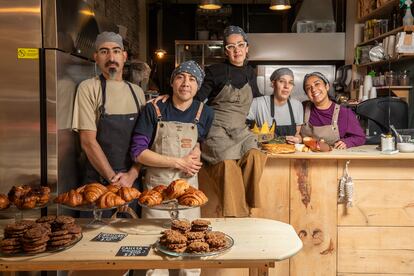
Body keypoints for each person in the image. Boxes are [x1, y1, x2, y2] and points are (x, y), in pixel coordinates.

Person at [131, 60, 214, 276]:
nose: (186, 83)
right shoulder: (153, 108)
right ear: (172, 82)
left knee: (192, 250)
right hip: (156, 191)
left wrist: (196, 150)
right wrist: (178, 162)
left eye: (192, 79)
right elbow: (138, 152)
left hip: (188, 192)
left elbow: (199, 139)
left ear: (198, 86)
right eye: (181, 77)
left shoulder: (205, 112)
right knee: (156, 252)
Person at [196, 26, 267, 217]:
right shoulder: (214, 71)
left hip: (241, 131)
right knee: (227, 165)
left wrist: (280, 99)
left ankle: (245, 205)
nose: (236, 50)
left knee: (255, 156)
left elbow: (258, 98)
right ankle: (240, 216)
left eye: (240, 45)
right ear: (225, 50)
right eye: (231, 47)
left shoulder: (251, 73)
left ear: (247, 48)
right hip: (217, 130)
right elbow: (196, 99)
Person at [72, 31, 145, 187]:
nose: (111, 58)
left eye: (116, 51)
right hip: (99, 183)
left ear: (124, 56)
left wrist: (132, 175)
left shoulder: (137, 92)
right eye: (104, 51)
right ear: (96, 57)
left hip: (131, 182)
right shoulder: (89, 88)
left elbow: (144, 141)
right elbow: (87, 142)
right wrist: (114, 180)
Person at [300, 71, 366, 149]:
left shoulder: (344, 113)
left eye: (317, 84)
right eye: (308, 88)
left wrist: (347, 142)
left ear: (327, 86)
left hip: (333, 158)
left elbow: (360, 137)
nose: (313, 89)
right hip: (306, 158)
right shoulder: (301, 108)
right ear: (307, 94)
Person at [247, 67, 303, 143]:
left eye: (290, 82)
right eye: (282, 81)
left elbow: (297, 134)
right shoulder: (258, 103)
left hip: (290, 152)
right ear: (273, 84)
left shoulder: (297, 105)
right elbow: (245, 132)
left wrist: (298, 140)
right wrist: (280, 139)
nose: (287, 86)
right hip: (265, 153)